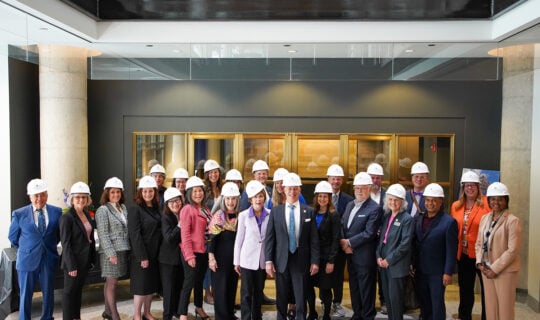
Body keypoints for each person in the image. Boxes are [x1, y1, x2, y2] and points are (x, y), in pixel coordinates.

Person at [265, 172, 320, 320]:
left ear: (300, 190)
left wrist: (315, 261)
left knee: (300, 295)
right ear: (283, 189)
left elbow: (314, 240)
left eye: (295, 188)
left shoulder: (308, 211)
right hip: (281, 260)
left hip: (300, 259)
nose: (292, 192)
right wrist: (268, 261)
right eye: (289, 188)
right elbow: (270, 238)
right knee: (281, 295)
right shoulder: (276, 212)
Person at [8, 178, 62, 320]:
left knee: (49, 293)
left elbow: (58, 235)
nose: (39, 198)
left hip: (48, 258)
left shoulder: (57, 212)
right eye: (36, 195)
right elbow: (13, 237)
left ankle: (47, 317)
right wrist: (28, 248)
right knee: (26, 294)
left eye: (43, 194)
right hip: (27, 260)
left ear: (47, 194)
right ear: (30, 196)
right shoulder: (19, 214)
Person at [475, 182, 522, 320]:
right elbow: (478, 243)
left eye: (500, 199)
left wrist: (494, 268)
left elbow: (512, 250)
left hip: (504, 271)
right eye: (493, 199)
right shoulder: (485, 218)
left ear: (506, 200)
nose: (496, 202)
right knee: (491, 308)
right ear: (488, 201)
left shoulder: (513, 221)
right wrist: (479, 262)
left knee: (505, 309)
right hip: (486, 270)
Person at [340, 172, 383, 320]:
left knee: (366, 289)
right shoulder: (350, 204)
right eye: (357, 188)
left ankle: (367, 315)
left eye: (363, 188)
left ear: (370, 188)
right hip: (350, 255)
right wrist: (343, 242)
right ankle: (357, 314)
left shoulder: (374, 208)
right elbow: (342, 224)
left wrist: (349, 242)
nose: (359, 191)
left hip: (364, 257)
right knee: (354, 287)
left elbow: (369, 233)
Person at [412, 183, 458, 320]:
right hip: (420, 270)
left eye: (434, 200)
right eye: (427, 200)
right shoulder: (419, 218)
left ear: (441, 202)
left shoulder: (449, 222)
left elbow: (451, 250)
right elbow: (415, 243)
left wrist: (448, 272)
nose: (430, 203)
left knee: (436, 304)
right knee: (424, 303)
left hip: (437, 273)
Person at [450, 171, 490, 320]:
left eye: (473, 185)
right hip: (464, 255)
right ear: (463, 187)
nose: (470, 188)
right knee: (465, 290)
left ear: (478, 187)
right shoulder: (456, 206)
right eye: (467, 185)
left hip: (482, 256)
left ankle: (487, 316)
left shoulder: (486, 204)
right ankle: (464, 316)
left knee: (486, 291)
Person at [59, 181, 97, 320]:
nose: (81, 200)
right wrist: (71, 265)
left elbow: (90, 238)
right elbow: (66, 244)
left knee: (77, 292)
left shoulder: (87, 215)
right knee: (69, 294)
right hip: (73, 264)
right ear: (72, 199)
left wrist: (92, 259)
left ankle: (76, 317)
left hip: (84, 261)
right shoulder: (66, 218)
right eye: (78, 197)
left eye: (84, 197)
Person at [376, 184, 414, 320]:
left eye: (396, 200)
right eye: (390, 199)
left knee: (396, 301)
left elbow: (405, 245)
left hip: (396, 266)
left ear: (402, 202)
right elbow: (381, 240)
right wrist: (378, 256)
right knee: (388, 300)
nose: (393, 202)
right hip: (383, 265)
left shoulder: (407, 219)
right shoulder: (387, 217)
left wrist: (389, 260)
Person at [234, 180, 270, 320]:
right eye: (255, 197)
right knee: (246, 293)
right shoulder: (243, 215)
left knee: (258, 292)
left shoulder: (270, 214)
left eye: (261, 196)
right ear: (250, 199)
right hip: (247, 260)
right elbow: (239, 240)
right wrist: (236, 261)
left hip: (262, 261)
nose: (258, 199)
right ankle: (246, 317)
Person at [95, 177, 130, 320]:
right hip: (111, 252)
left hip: (123, 250)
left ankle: (107, 311)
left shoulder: (123, 208)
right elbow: (103, 234)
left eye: (118, 192)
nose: (116, 195)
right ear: (107, 193)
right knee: (112, 283)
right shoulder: (103, 210)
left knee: (111, 282)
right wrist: (111, 253)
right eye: (113, 192)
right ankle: (114, 314)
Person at [128, 176, 163, 320]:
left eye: (150, 191)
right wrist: (142, 256)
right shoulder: (135, 209)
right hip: (141, 255)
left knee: (150, 286)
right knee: (141, 288)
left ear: (155, 192)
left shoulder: (157, 208)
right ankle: (137, 315)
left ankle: (147, 313)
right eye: (145, 191)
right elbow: (134, 235)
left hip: (155, 254)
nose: (148, 194)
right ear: (140, 192)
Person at [179, 176, 212, 320]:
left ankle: (199, 308)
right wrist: (189, 256)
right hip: (192, 252)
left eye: (200, 191)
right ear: (189, 193)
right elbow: (184, 235)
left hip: (203, 251)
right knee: (188, 284)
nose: (198, 194)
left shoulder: (205, 208)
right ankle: (183, 314)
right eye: (195, 191)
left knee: (199, 282)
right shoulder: (187, 209)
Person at [306, 181, 340, 320]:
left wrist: (331, 261)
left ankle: (326, 314)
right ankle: (312, 312)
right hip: (312, 258)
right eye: (320, 196)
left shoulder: (333, 215)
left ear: (329, 198)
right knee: (309, 287)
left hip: (326, 258)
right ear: (316, 197)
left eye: (325, 196)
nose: (322, 199)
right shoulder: (311, 212)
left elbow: (335, 239)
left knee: (325, 288)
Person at [208, 182, 241, 320]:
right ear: (223, 199)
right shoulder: (219, 216)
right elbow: (211, 239)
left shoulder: (241, 216)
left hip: (234, 260)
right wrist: (211, 258)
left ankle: (229, 314)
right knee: (220, 290)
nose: (230, 202)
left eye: (233, 198)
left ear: (237, 200)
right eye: (227, 198)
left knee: (231, 287)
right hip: (219, 259)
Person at [326, 164, 353, 318]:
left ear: (342, 181)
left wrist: (343, 240)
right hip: (325, 246)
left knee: (338, 276)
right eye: (333, 178)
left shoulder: (349, 200)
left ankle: (337, 302)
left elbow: (346, 222)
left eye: (338, 179)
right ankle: (326, 302)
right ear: (328, 179)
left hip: (341, 245)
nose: (335, 181)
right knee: (325, 276)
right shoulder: (322, 198)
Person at [159, 188, 185, 320]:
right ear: (167, 204)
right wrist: (180, 225)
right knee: (168, 291)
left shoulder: (183, 213)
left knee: (178, 287)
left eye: (177, 200)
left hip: (181, 258)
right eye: (171, 202)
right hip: (168, 260)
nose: (175, 204)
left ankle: (176, 311)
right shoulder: (165, 217)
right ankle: (167, 316)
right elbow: (169, 238)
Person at [366, 162, 387, 314]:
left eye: (377, 178)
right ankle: (369, 303)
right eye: (372, 177)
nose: (375, 181)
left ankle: (384, 301)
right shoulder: (362, 193)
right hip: (366, 242)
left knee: (383, 273)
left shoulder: (387, 195)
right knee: (368, 273)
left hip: (383, 241)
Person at [202, 159, 222, 304]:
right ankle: (207, 292)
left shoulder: (223, 188)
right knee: (208, 262)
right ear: (207, 174)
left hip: (221, 229)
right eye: (211, 173)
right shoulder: (203, 190)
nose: (213, 175)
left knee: (218, 260)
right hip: (207, 230)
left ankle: (216, 290)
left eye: (215, 172)